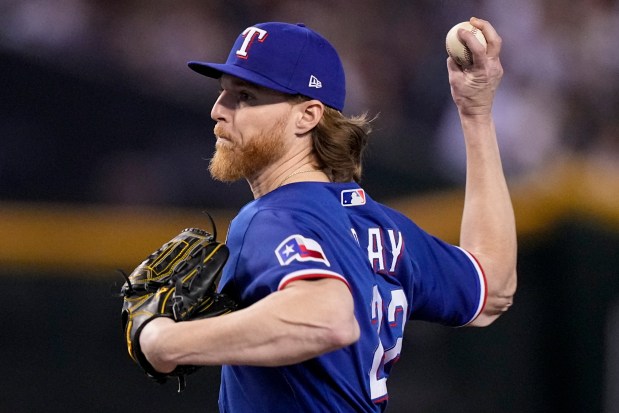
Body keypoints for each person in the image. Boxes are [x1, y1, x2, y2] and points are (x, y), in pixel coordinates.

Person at [138, 18, 517, 412]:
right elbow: (492, 287)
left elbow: (328, 318)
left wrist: (164, 342)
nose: (219, 110)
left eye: (246, 96)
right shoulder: (380, 226)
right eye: (223, 92)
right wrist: (476, 115)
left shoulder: (269, 218)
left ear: (308, 115)